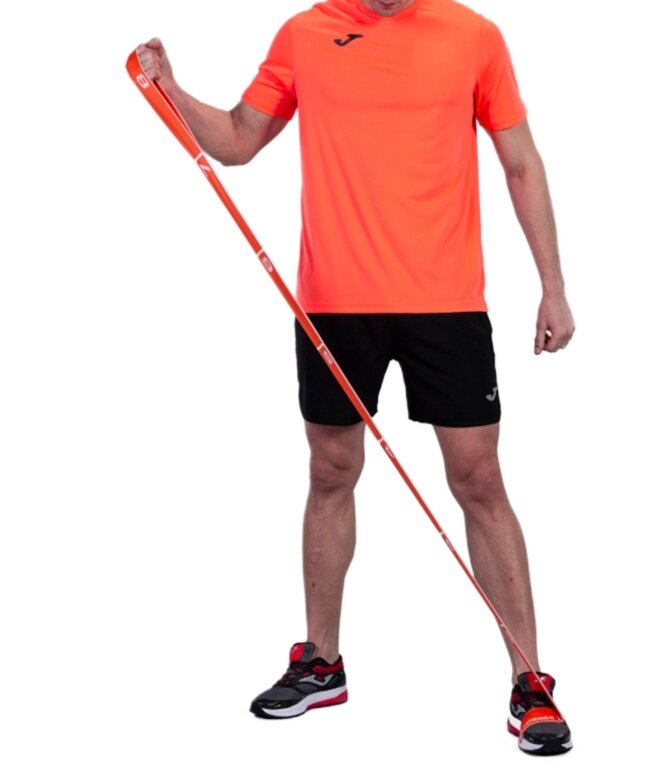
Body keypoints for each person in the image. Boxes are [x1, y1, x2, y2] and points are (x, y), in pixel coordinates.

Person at [137, 0, 574, 756]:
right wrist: (171, 90)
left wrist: (553, 286)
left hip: (446, 303)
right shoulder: (304, 34)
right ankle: (322, 662)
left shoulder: (473, 36)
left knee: (478, 478)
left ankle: (530, 681)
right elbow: (238, 139)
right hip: (335, 304)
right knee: (330, 470)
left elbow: (520, 162)